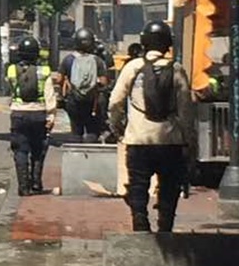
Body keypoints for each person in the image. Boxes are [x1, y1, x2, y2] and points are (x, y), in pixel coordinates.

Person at [108, 20, 193, 232]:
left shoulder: (133, 68)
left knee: (138, 184)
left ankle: (140, 221)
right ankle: (165, 225)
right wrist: (188, 140)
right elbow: (186, 111)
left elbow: (115, 101)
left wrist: (118, 126)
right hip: (170, 141)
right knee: (169, 186)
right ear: (168, 43)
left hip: (138, 139)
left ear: (144, 42)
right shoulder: (177, 70)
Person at [6, 36, 57, 196]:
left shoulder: (12, 70)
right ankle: (36, 183)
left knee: (20, 150)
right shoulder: (44, 71)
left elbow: (12, 89)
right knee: (38, 149)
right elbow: (49, 96)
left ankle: (23, 187)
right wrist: (51, 117)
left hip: (18, 114)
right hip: (39, 114)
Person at [59, 28, 109, 143]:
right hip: (93, 102)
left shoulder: (69, 59)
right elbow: (104, 82)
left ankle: (76, 157)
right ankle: (90, 156)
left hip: (73, 101)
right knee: (92, 130)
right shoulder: (97, 60)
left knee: (76, 130)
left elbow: (59, 79)